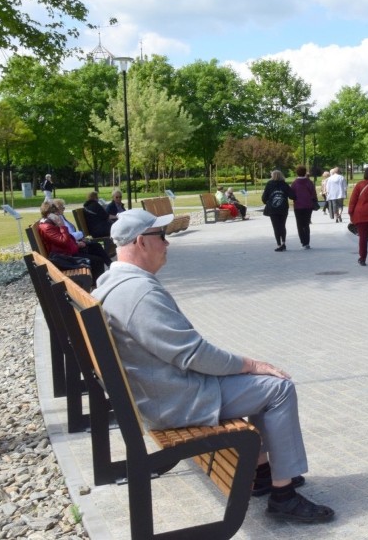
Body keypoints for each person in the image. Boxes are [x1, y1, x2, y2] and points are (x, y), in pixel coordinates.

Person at [92, 209, 335, 523]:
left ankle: (263, 474)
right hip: (174, 401)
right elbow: (192, 353)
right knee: (278, 388)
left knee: (262, 385)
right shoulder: (139, 293)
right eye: (161, 237)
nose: (167, 244)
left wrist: (245, 368)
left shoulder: (110, 283)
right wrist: (249, 364)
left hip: (158, 393)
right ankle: (283, 496)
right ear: (140, 241)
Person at [37, 201, 110, 280]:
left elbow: (66, 240)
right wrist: (62, 226)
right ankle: (96, 286)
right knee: (97, 261)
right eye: (56, 213)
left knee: (96, 247)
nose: (58, 215)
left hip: (69, 250)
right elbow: (63, 241)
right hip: (64, 257)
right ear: (50, 215)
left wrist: (76, 243)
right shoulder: (47, 227)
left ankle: (111, 267)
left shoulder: (50, 223)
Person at [261, 170, 295, 251]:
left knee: (276, 226)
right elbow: (292, 196)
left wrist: (268, 202)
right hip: (283, 208)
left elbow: (264, 197)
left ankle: (279, 244)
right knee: (282, 225)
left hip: (273, 209)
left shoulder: (269, 184)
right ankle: (283, 243)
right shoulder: (285, 184)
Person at [290, 165, 318, 249]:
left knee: (299, 224)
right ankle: (307, 242)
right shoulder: (309, 182)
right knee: (306, 224)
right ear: (305, 172)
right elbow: (313, 193)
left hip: (298, 206)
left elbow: (291, 195)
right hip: (308, 205)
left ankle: (303, 241)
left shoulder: (294, 183)